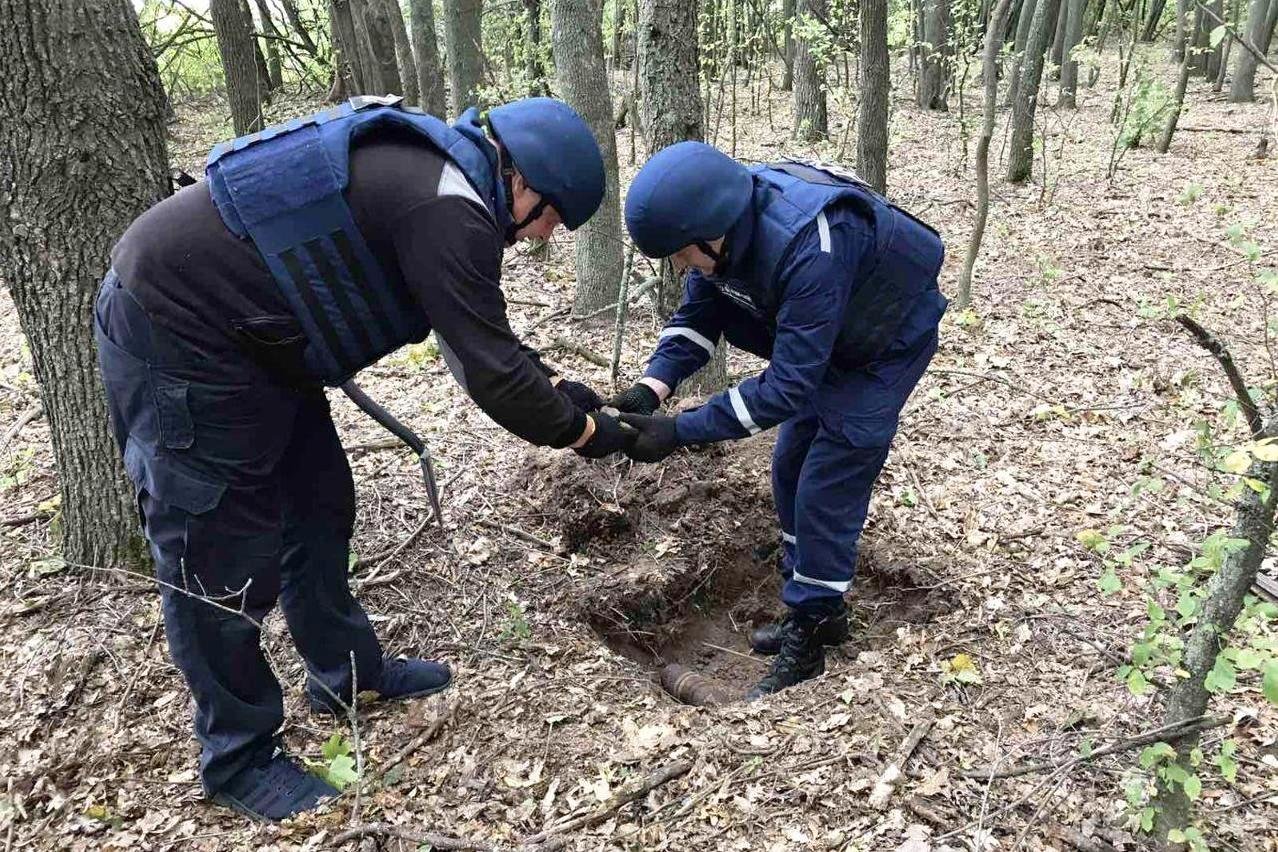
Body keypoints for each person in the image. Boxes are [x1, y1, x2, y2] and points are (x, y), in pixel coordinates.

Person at [94, 95, 633, 820]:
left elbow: (480, 334)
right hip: (179, 330)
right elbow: (491, 374)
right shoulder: (446, 204)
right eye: (549, 220)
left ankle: (345, 674)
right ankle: (237, 758)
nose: (540, 238)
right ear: (524, 184)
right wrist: (588, 436)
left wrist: (564, 392)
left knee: (318, 502)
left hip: (259, 346)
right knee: (215, 547)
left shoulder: (443, 179)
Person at [612, 142, 947, 701]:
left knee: (827, 482)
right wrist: (650, 390)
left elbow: (787, 388)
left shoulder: (811, 244)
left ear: (710, 229)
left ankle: (811, 638)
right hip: (827, 343)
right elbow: (698, 318)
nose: (678, 265)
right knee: (790, 465)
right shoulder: (723, 236)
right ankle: (819, 608)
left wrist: (680, 431)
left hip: (884, 344)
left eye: (679, 252)